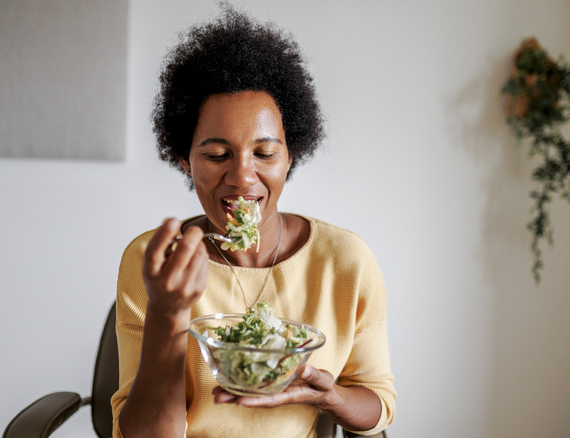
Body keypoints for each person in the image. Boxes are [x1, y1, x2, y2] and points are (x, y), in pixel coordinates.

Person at [110, 6, 395, 438]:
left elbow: (379, 404)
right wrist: (168, 313)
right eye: (216, 154)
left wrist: (327, 397)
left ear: (290, 156)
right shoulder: (153, 261)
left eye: (264, 153)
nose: (243, 177)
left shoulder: (345, 261)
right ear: (184, 160)